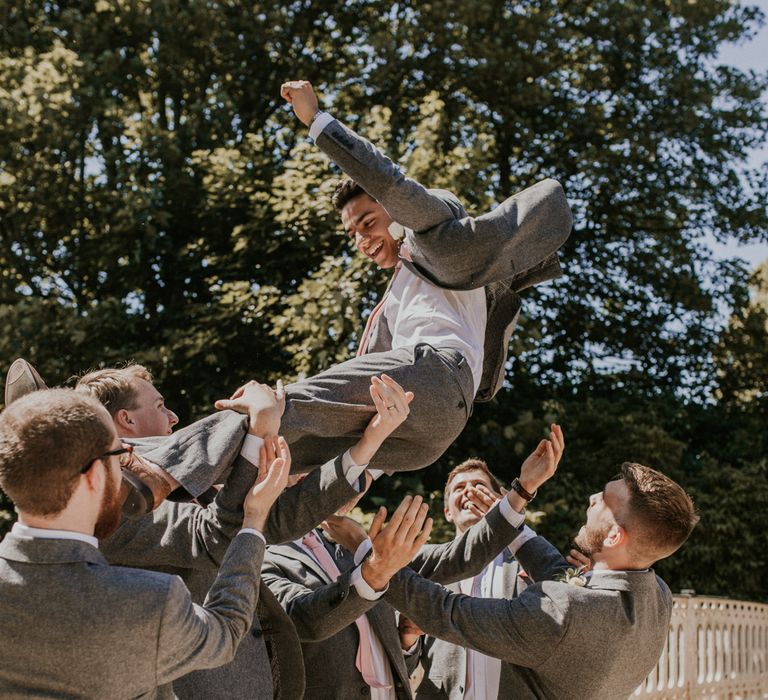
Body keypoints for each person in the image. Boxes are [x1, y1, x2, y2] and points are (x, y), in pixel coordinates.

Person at [277, 79, 573, 475]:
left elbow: (388, 182)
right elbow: (358, 391)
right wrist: (356, 477)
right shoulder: (398, 294)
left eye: (369, 223)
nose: (363, 241)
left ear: (394, 214)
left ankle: (187, 457)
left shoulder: (432, 234)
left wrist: (315, 120)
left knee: (279, 409)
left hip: (438, 372)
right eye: (353, 236)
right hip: (429, 426)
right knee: (292, 454)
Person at [0, 388, 289, 698]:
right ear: (95, 475)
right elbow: (227, 631)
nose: (128, 463)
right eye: (121, 454)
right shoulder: (151, 602)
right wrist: (253, 520)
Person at [381, 431, 700, 700]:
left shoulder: (563, 610)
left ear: (615, 535)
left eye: (604, 498)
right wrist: (511, 506)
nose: (592, 497)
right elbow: (567, 584)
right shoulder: (657, 595)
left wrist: (372, 560)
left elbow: (448, 611)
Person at [261, 429, 564, 699]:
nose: (353, 487)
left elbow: (459, 558)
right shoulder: (266, 556)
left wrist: (522, 490)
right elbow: (301, 619)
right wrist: (372, 564)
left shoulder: (355, 545)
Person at [414, 459, 531, 699]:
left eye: (478, 485)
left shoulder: (529, 562)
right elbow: (402, 658)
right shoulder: (426, 569)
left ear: (499, 500)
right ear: (447, 511)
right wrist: (406, 642)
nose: (468, 491)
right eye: (459, 488)